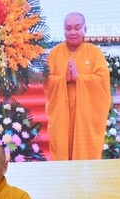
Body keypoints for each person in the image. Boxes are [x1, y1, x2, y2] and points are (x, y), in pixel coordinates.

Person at [43, 12, 111, 160]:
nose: (72, 32)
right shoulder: (54, 54)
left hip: (86, 116)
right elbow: (47, 81)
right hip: (61, 114)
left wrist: (79, 78)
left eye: (77, 28)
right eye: (68, 28)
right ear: (64, 30)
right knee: (62, 151)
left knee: (85, 154)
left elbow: (102, 80)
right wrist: (64, 79)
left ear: (85, 29)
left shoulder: (95, 53)